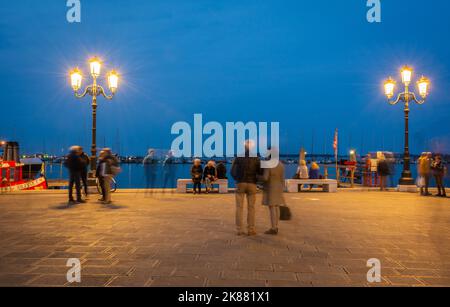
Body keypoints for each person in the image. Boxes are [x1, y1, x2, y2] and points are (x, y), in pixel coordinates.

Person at [231, 140, 261, 236]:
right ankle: (251, 229)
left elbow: (232, 171)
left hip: (241, 183)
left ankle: (239, 230)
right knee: (251, 208)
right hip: (252, 184)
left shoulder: (238, 157)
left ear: (244, 147)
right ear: (252, 147)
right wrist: (256, 180)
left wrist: (238, 179)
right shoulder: (256, 158)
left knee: (239, 207)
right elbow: (260, 172)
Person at [261, 149, 286, 235]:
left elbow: (265, 178)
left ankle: (273, 227)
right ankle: (276, 226)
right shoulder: (281, 164)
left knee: (271, 207)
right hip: (279, 187)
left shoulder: (268, 164)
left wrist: (258, 178)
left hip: (271, 188)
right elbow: (282, 178)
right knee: (277, 207)